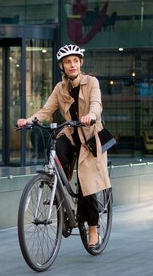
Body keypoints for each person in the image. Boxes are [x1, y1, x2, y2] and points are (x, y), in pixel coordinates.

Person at [17, 44, 112, 248]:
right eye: (68, 62)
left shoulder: (91, 82)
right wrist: (30, 120)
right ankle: (57, 190)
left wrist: (92, 116)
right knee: (56, 152)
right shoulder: (60, 88)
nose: (72, 65)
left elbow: (97, 104)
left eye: (75, 61)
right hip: (70, 134)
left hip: (90, 138)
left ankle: (93, 229)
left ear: (80, 63)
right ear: (62, 66)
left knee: (86, 184)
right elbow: (46, 110)